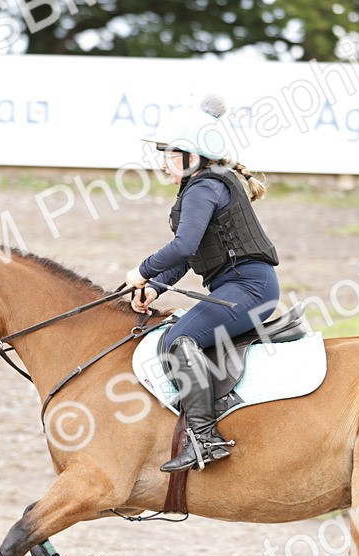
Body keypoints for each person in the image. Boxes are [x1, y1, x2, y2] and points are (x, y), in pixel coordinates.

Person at [125, 96, 281, 473]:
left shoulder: (204, 188)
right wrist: (156, 287)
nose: (163, 159)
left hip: (249, 288)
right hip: (242, 286)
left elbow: (183, 245)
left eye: (169, 152)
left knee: (179, 340)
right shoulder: (201, 186)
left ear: (192, 155)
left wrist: (142, 271)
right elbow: (187, 257)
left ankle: (205, 439)